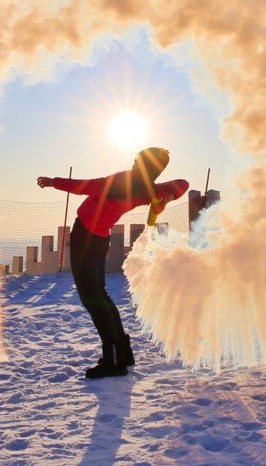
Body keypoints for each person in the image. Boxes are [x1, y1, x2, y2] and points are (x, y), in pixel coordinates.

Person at [37, 147, 189, 379]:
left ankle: (114, 360)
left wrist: (51, 182)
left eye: (138, 159)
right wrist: (165, 200)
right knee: (101, 295)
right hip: (100, 238)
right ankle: (122, 354)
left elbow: (85, 186)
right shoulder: (147, 189)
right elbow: (182, 183)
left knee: (93, 298)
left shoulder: (122, 182)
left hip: (86, 237)